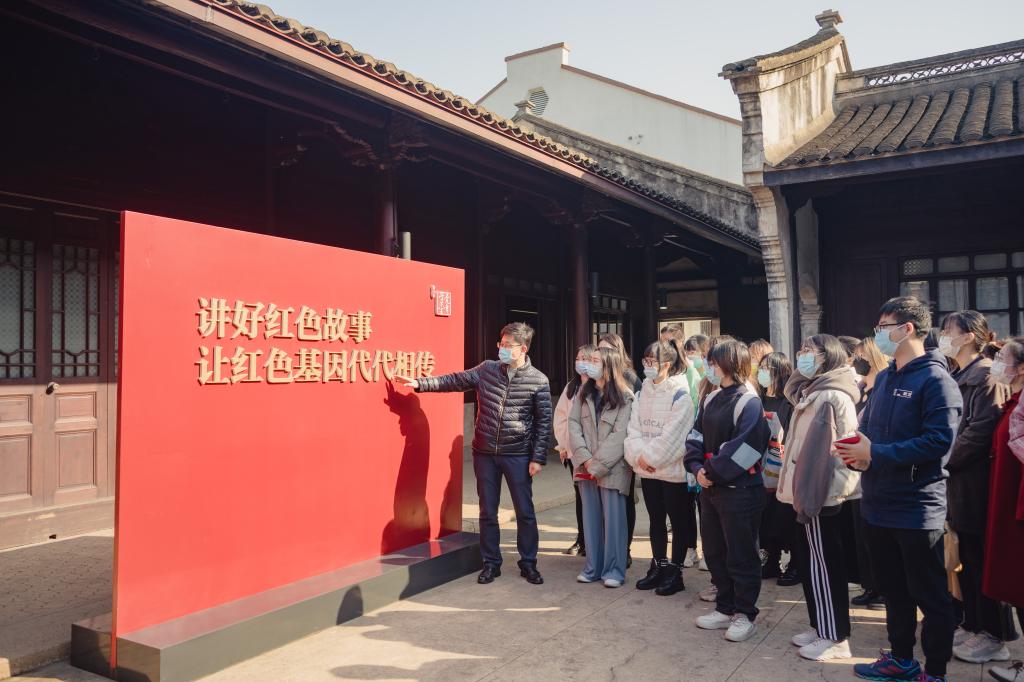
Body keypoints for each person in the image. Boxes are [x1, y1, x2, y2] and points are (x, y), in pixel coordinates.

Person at [836, 296, 963, 682]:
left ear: (907, 329)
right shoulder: (888, 377)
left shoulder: (937, 381)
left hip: (916, 506)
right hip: (878, 501)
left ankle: (935, 671)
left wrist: (876, 453)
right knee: (893, 589)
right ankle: (901, 658)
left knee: (930, 594)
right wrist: (857, 452)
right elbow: (870, 429)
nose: (878, 334)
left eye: (883, 327)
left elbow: (939, 443)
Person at [395, 322, 552, 586]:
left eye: (507, 345)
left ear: (523, 349)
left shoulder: (538, 380)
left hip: (517, 454)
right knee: (487, 511)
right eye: (500, 344)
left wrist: (537, 457)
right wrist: (420, 383)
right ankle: (491, 563)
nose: (501, 349)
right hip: (485, 453)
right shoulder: (487, 370)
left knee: (524, 511)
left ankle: (528, 563)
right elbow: (455, 380)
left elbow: (543, 422)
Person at [777, 334, 862, 662]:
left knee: (825, 568)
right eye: (801, 350)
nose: (802, 356)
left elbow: (831, 453)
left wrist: (812, 496)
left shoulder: (830, 395)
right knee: (812, 565)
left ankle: (835, 636)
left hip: (819, 494)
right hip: (808, 492)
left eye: (809, 351)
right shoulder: (812, 391)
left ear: (828, 357)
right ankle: (820, 626)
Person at [685, 339, 771, 643]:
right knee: (715, 550)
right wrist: (696, 467)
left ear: (730, 364)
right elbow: (695, 437)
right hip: (711, 488)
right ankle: (724, 606)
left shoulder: (749, 402)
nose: (708, 367)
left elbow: (748, 447)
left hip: (740, 490)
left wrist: (710, 471)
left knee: (742, 553)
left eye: (713, 362)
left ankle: (744, 613)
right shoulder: (711, 398)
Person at [939, 312, 1012, 664]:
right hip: (957, 483)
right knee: (965, 559)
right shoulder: (958, 374)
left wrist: (943, 459)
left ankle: (994, 634)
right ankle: (972, 623)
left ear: (969, 337)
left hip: (975, 483)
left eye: (948, 331)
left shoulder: (985, 376)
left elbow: (980, 431)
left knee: (980, 559)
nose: (943, 336)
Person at [624, 340, 695, 596]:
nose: (647, 366)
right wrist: (639, 457)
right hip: (648, 471)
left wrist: (648, 458)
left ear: (666, 364)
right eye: (645, 361)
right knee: (655, 520)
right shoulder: (642, 393)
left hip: (672, 472)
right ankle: (658, 565)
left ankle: (676, 571)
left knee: (677, 521)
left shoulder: (681, 395)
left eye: (652, 362)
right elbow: (633, 429)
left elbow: (674, 437)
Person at [568, 345, 635, 587]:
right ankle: (592, 567)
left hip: (612, 468)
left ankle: (614, 570)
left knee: (614, 521)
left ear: (609, 366)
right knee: (591, 519)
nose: (590, 364)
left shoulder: (625, 397)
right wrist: (585, 459)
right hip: (585, 466)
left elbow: (620, 435)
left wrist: (595, 465)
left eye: (596, 361)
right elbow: (573, 425)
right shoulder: (583, 393)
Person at [984, 338, 1024, 682]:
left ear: (1021, 368)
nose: (996, 363)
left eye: (1002, 359)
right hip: (1009, 502)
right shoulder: (1014, 401)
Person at [848, 336, 890, 610]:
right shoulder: (860, 389)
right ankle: (870, 585)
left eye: (860, 357)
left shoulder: (882, 389)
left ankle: (882, 589)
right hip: (856, 469)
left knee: (877, 535)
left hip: (874, 467)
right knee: (862, 534)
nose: (856, 362)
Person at [597, 332, 641, 568]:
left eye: (608, 349)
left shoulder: (629, 378)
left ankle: (624, 548)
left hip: (623, 451)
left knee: (624, 501)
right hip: (598, 451)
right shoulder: (594, 378)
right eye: (600, 349)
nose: (602, 354)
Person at [756, 351, 799, 587]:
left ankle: (795, 564)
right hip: (761, 470)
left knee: (785, 519)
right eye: (761, 367)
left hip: (783, 468)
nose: (761, 372)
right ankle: (770, 560)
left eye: (767, 368)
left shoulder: (789, 402)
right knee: (765, 519)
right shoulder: (759, 399)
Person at [554, 344, 596, 557]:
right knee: (581, 498)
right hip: (574, 453)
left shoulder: (599, 385)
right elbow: (561, 417)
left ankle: (597, 540)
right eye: (577, 359)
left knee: (598, 499)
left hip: (595, 454)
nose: (580, 363)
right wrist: (563, 445)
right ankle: (582, 539)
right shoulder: (571, 387)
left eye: (584, 359)